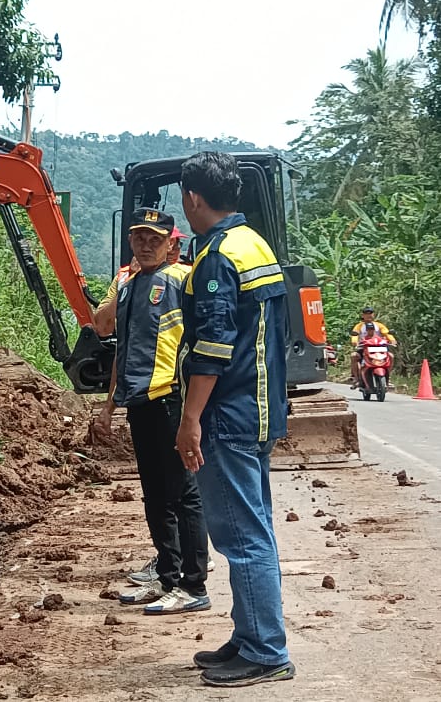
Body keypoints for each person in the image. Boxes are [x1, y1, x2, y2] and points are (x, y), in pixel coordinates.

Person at [175, 152, 296, 687]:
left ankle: (267, 651)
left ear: (193, 199)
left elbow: (214, 345)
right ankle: (250, 637)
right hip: (260, 411)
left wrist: (190, 418)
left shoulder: (219, 256)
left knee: (243, 539)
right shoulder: (254, 244)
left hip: (228, 414)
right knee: (255, 530)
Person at [97, 208, 210, 615]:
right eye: (139, 238)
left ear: (172, 245)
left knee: (183, 493)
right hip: (139, 402)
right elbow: (118, 346)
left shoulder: (182, 280)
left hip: (170, 400)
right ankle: (167, 578)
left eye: (154, 239)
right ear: (131, 243)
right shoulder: (127, 287)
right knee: (156, 496)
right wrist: (109, 406)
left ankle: (194, 585)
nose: (146, 245)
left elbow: (208, 335)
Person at [93, 228, 187, 338]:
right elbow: (101, 326)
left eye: (177, 244)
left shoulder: (187, 276)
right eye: (141, 240)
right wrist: (132, 281)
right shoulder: (124, 276)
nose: (173, 250)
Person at [349, 307, 397, 387]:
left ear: (373, 315)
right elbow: (355, 335)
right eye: (366, 314)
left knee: (391, 356)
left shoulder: (379, 325)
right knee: (354, 356)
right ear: (363, 315)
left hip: (379, 348)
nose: (369, 316)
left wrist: (392, 340)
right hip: (363, 348)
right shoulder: (359, 326)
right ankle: (356, 378)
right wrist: (355, 342)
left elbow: (387, 333)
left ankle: (388, 377)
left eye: (370, 313)